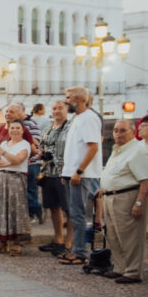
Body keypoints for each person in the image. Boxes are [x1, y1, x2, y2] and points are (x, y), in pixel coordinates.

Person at [95, 120, 148, 283]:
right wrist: (104, 187)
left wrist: (139, 202)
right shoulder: (118, 149)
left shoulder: (138, 150)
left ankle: (133, 271)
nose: (118, 134)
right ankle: (120, 268)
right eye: (115, 130)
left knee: (130, 236)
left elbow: (147, 179)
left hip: (128, 197)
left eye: (122, 130)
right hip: (110, 196)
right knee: (113, 235)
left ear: (133, 132)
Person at [59, 87, 103, 266]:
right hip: (72, 173)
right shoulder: (77, 118)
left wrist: (78, 172)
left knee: (78, 214)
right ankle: (77, 250)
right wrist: (67, 172)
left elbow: (93, 147)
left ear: (77, 100)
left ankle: (80, 253)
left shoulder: (89, 118)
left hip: (81, 175)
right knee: (73, 213)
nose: (66, 101)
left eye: (68, 98)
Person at [0, 120, 32, 255]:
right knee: (1, 209)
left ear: (23, 130)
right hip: (2, 178)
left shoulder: (25, 145)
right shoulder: (5, 143)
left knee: (16, 210)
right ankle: (2, 240)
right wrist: (7, 162)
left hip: (16, 179)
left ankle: (17, 242)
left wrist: (2, 153)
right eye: (12, 128)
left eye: (18, 128)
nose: (14, 130)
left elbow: (18, 160)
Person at [37, 101, 72, 255]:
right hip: (48, 172)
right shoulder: (47, 129)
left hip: (64, 173)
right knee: (53, 207)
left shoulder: (71, 128)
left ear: (66, 110)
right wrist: (41, 152)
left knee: (68, 209)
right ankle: (58, 240)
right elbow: (41, 147)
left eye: (60, 108)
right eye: (54, 108)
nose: (57, 111)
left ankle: (69, 242)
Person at [138, 115, 148, 219]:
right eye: (140, 126)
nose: (140, 128)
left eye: (144, 126)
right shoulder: (136, 147)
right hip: (142, 192)